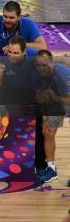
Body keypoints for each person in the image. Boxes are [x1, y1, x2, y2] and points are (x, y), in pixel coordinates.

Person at [33, 50, 68, 183]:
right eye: (38, 65)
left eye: (44, 65)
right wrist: (45, 118)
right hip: (57, 99)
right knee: (48, 132)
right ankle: (52, 169)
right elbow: (39, 97)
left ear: (52, 64)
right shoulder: (35, 74)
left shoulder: (61, 75)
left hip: (65, 97)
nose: (41, 68)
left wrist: (55, 97)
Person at [0, 36, 37, 106]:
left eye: (16, 53)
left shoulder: (33, 60)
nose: (11, 56)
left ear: (24, 52)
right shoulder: (2, 62)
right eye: (9, 52)